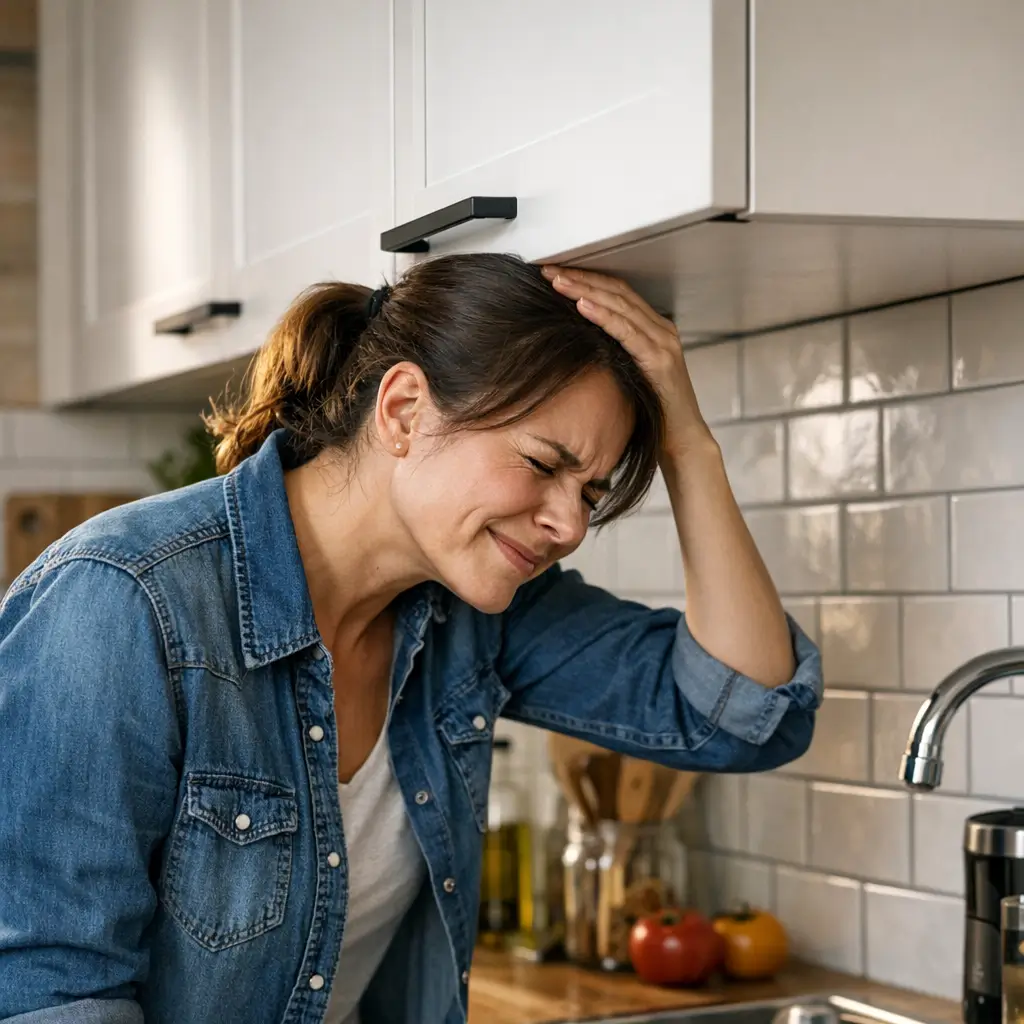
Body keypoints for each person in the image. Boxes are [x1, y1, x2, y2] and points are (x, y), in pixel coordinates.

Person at [0, 253, 821, 1024]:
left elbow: (743, 712)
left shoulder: (477, 608)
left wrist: (688, 444)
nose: (568, 524)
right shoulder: (122, 601)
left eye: (592, 492)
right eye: (542, 464)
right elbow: (50, 991)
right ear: (402, 410)